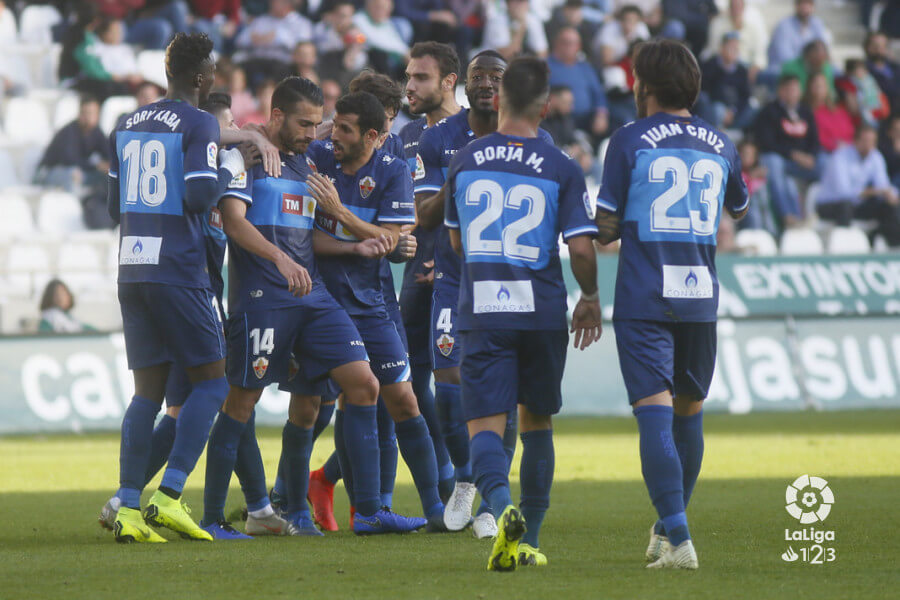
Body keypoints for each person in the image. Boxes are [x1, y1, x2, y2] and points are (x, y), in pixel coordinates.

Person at [208, 77, 425, 537]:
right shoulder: (247, 156)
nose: (316, 132)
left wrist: (353, 249)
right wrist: (280, 256)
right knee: (245, 402)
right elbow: (232, 221)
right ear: (278, 116)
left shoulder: (305, 163)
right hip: (263, 298)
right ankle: (227, 514)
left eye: (318, 123)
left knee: (363, 383)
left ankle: (367, 512)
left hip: (313, 297)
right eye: (306, 123)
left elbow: (310, 235)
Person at [595, 39, 748, 570]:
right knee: (689, 412)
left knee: (654, 418)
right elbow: (741, 205)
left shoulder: (629, 139)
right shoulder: (720, 142)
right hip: (700, 295)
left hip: (645, 293)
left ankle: (680, 540)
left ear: (646, 85)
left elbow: (608, 227)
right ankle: (667, 527)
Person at [444, 56, 601, 570]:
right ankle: (528, 537)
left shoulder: (465, 159)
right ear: (546, 106)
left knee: (484, 426)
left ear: (498, 100)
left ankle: (501, 507)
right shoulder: (561, 166)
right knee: (537, 423)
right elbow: (581, 248)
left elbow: (456, 240)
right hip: (542, 313)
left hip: (484, 309)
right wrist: (591, 296)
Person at [105, 32, 251, 543]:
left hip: (132, 267)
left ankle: (125, 505)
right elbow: (195, 197)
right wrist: (230, 168)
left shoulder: (125, 122)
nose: (214, 77)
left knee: (145, 392)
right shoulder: (199, 121)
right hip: (178, 268)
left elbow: (111, 207)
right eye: (211, 70)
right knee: (212, 382)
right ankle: (168, 496)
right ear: (197, 77)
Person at [415, 49, 555, 535]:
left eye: (495, 76)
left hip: (515, 281)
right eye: (478, 76)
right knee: (448, 385)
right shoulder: (438, 140)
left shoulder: (537, 139)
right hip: (456, 278)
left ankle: (496, 501)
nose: (485, 84)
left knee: (509, 391)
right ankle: (466, 478)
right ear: (464, 83)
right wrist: (458, 179)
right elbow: (424, 215)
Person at [299, 91, 447, 531]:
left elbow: (392, 240)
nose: (333, 135)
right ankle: (348, 508)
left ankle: (436, 512)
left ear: (372, 136)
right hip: (322, 298)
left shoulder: (393, 170)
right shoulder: (316, 158)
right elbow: (311, 238)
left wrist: (339, 212)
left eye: (344, 129)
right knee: (344, 396)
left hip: (372, 300)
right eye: (333, 125)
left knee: (402, 397)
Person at [753, 74, 822, 228]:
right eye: (789, 89)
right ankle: (789, 216)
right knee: (774, 164)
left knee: (827, 162)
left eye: (796, 89)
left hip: (803, 163)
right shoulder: (769, 112)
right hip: (782, 160)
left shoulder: (805, 112)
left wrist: (810, 156)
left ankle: (821, 217)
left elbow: (815, 141)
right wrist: (793, 154)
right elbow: (766, 143)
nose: (793, 93)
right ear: (780, 91)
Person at [817, 124, 900, 245]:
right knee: (845, 206)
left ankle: (893, 247)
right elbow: (843, 193)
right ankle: (844, 248)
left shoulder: (875, 157)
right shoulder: (840, 157)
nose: (869, 145)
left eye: (872, 141)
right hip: (829, 205)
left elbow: (883, 185)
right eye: (865, 141)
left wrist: (892, 196)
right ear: (855, 141)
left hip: (857, 205)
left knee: (889, 207)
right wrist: (872, 192)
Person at [36, 94, 109, 198]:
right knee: (73, 173)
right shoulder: (68, 132)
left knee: (109, 174)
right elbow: (69, 160)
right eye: (86, 113)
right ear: (80, 113)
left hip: (81, 172)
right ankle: (76, 207)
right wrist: (96, 165)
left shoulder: (96, 132)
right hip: (49, 172)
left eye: (93, 113)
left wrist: (107, 165)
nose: (89, 117)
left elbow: (107, 152)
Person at [547, 27, 609, 142]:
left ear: (579, 46)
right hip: (558, 119)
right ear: (556, 44)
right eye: (565, 43)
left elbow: (598, 93)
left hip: (587, 119)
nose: (569, 47)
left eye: (573, 43)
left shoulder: (585, 67)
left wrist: (601, 114)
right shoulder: (545, 66)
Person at [697, 32, 755, 130]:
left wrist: (733, 111)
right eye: (730, 47)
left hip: (734, 110)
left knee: (753, 109)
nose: (733, 51)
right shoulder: (710, 65)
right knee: (717, 109)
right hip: (715, 106)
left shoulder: (742, 70)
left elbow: (745, 95)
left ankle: (735, 134)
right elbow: (705, 90)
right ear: (722, 48)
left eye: (736, 48)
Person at [766, 0, 832, 73]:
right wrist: (806, 65)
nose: (805, 7)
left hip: (811, 68)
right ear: (796, 5)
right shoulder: (784, 26)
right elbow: (785, 57)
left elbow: (822, 48)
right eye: (802, 3)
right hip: (783, 69)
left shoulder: (817, 23)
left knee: (835, 72)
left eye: (808, 3)